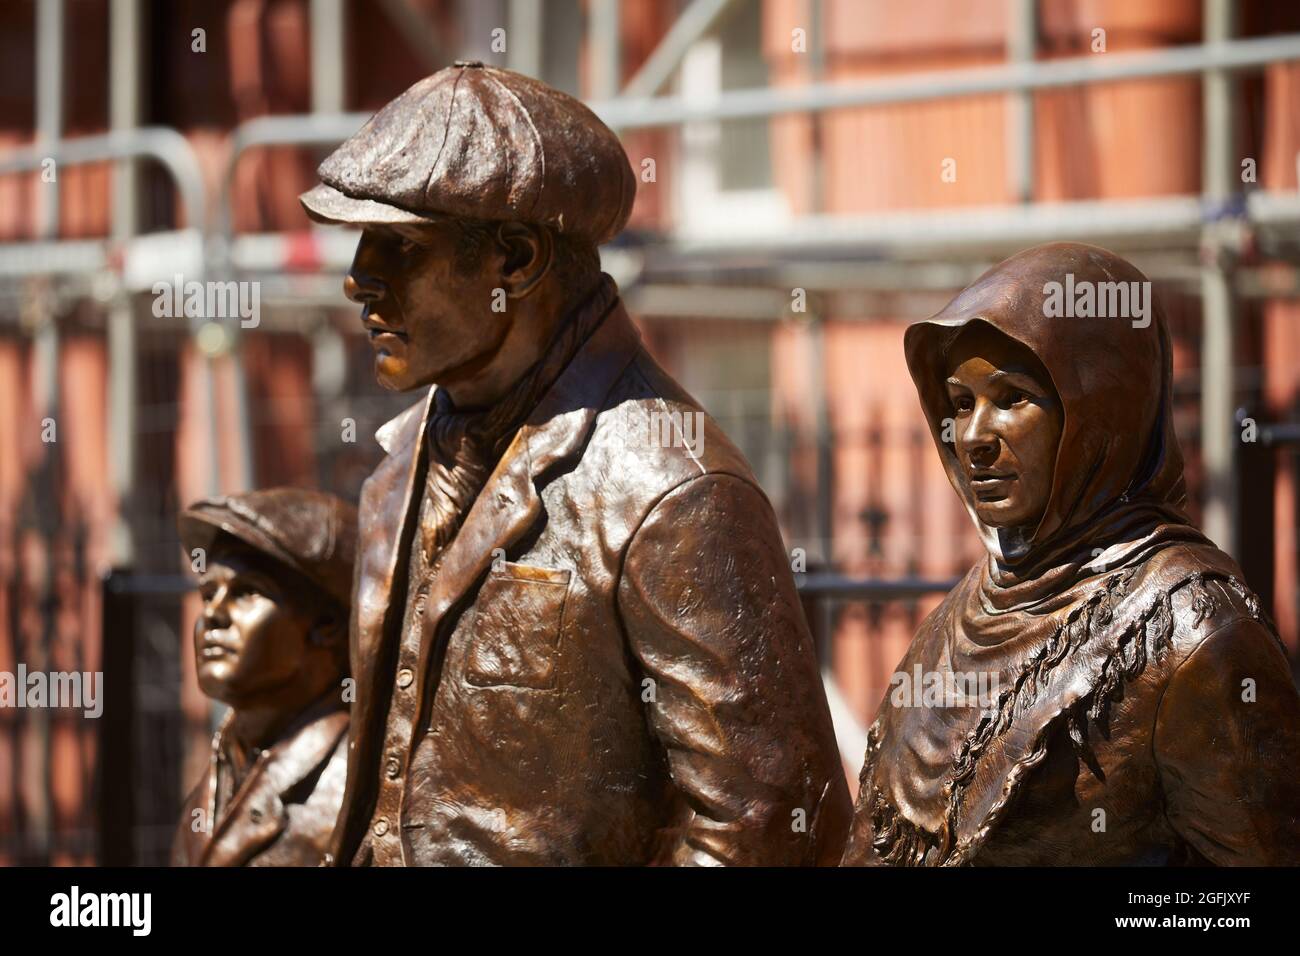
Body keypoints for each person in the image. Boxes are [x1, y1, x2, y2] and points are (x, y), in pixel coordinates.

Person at [300, 61, 849, 866]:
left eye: (401, 245)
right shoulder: (398, 467)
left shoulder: (672, 490)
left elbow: (771, 825)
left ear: (515, 261)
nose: (359, 278)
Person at [842, 242, 1300, 866]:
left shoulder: (1195, 633)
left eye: (1011, 398)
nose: (973, 436)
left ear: (1100, 408)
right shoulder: (967, 609)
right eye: (960, 404)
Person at [171, 489, 357, 867]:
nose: (213, 615)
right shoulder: (215, 780)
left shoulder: (360, 787)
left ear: (327, 625)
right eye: (208, 595)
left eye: (247, 592)